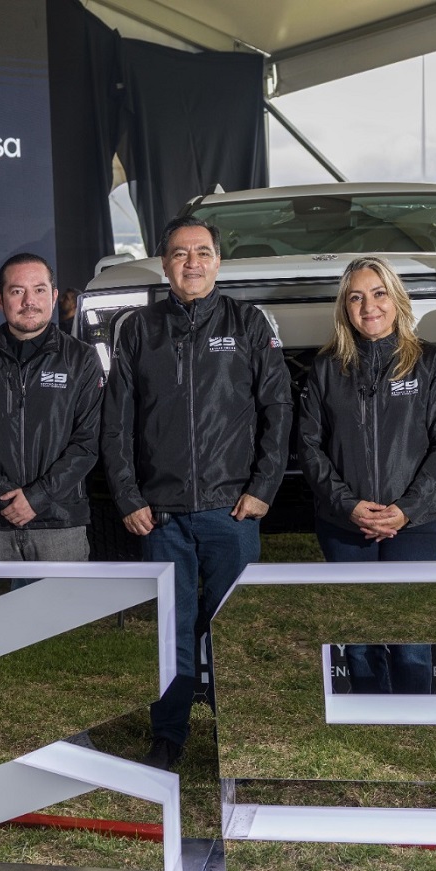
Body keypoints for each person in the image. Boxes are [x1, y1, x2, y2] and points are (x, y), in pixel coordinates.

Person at [102, 216, 292, 769]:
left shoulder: (248, 323)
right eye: (181, 253)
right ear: (164, 264)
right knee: (171, 630)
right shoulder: (138, 329)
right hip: (161, 516)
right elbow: (116, 423)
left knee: (236, 629)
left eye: (203, 252)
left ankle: (241, 738)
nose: (192, 263)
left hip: (232, 512)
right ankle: (169, 735)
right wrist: (128, 497)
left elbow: (278, 410)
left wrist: (263, 488)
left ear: (218, 261)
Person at [0, 253, 104, 579]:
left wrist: (36, 498)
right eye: (17, 291)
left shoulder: (82, 359)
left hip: (59, 518)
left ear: (54, 296)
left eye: (39, 290)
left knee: (63, 609)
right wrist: (4, 497)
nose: (29, 301)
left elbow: (87, 443)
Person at [298, 255, 436, 563]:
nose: (368, 306)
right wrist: (348, 505)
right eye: (356, 297)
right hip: (344, 522)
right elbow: (309, 446)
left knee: (406, 597)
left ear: (396, 298)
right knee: (355, 597)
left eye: (379, 293)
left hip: (416, 522)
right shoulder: (326, 368)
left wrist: (407, 509)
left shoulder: (432, 362)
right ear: (345, 308)